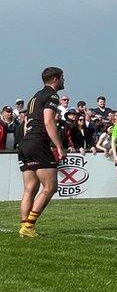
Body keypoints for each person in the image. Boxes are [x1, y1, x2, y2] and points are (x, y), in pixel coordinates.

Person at [16, 67, 66, 238]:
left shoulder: (34, 97)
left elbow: (25, 123)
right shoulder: (52, 95)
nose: (64, 80)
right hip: (38, 142)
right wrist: (59, 146)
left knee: (30, 188)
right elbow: (49, 121)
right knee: (50, 187)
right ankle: (29, 226)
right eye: (62, 78)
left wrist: (26, 141)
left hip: (26, 143)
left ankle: (25, 226)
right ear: (55, 79)